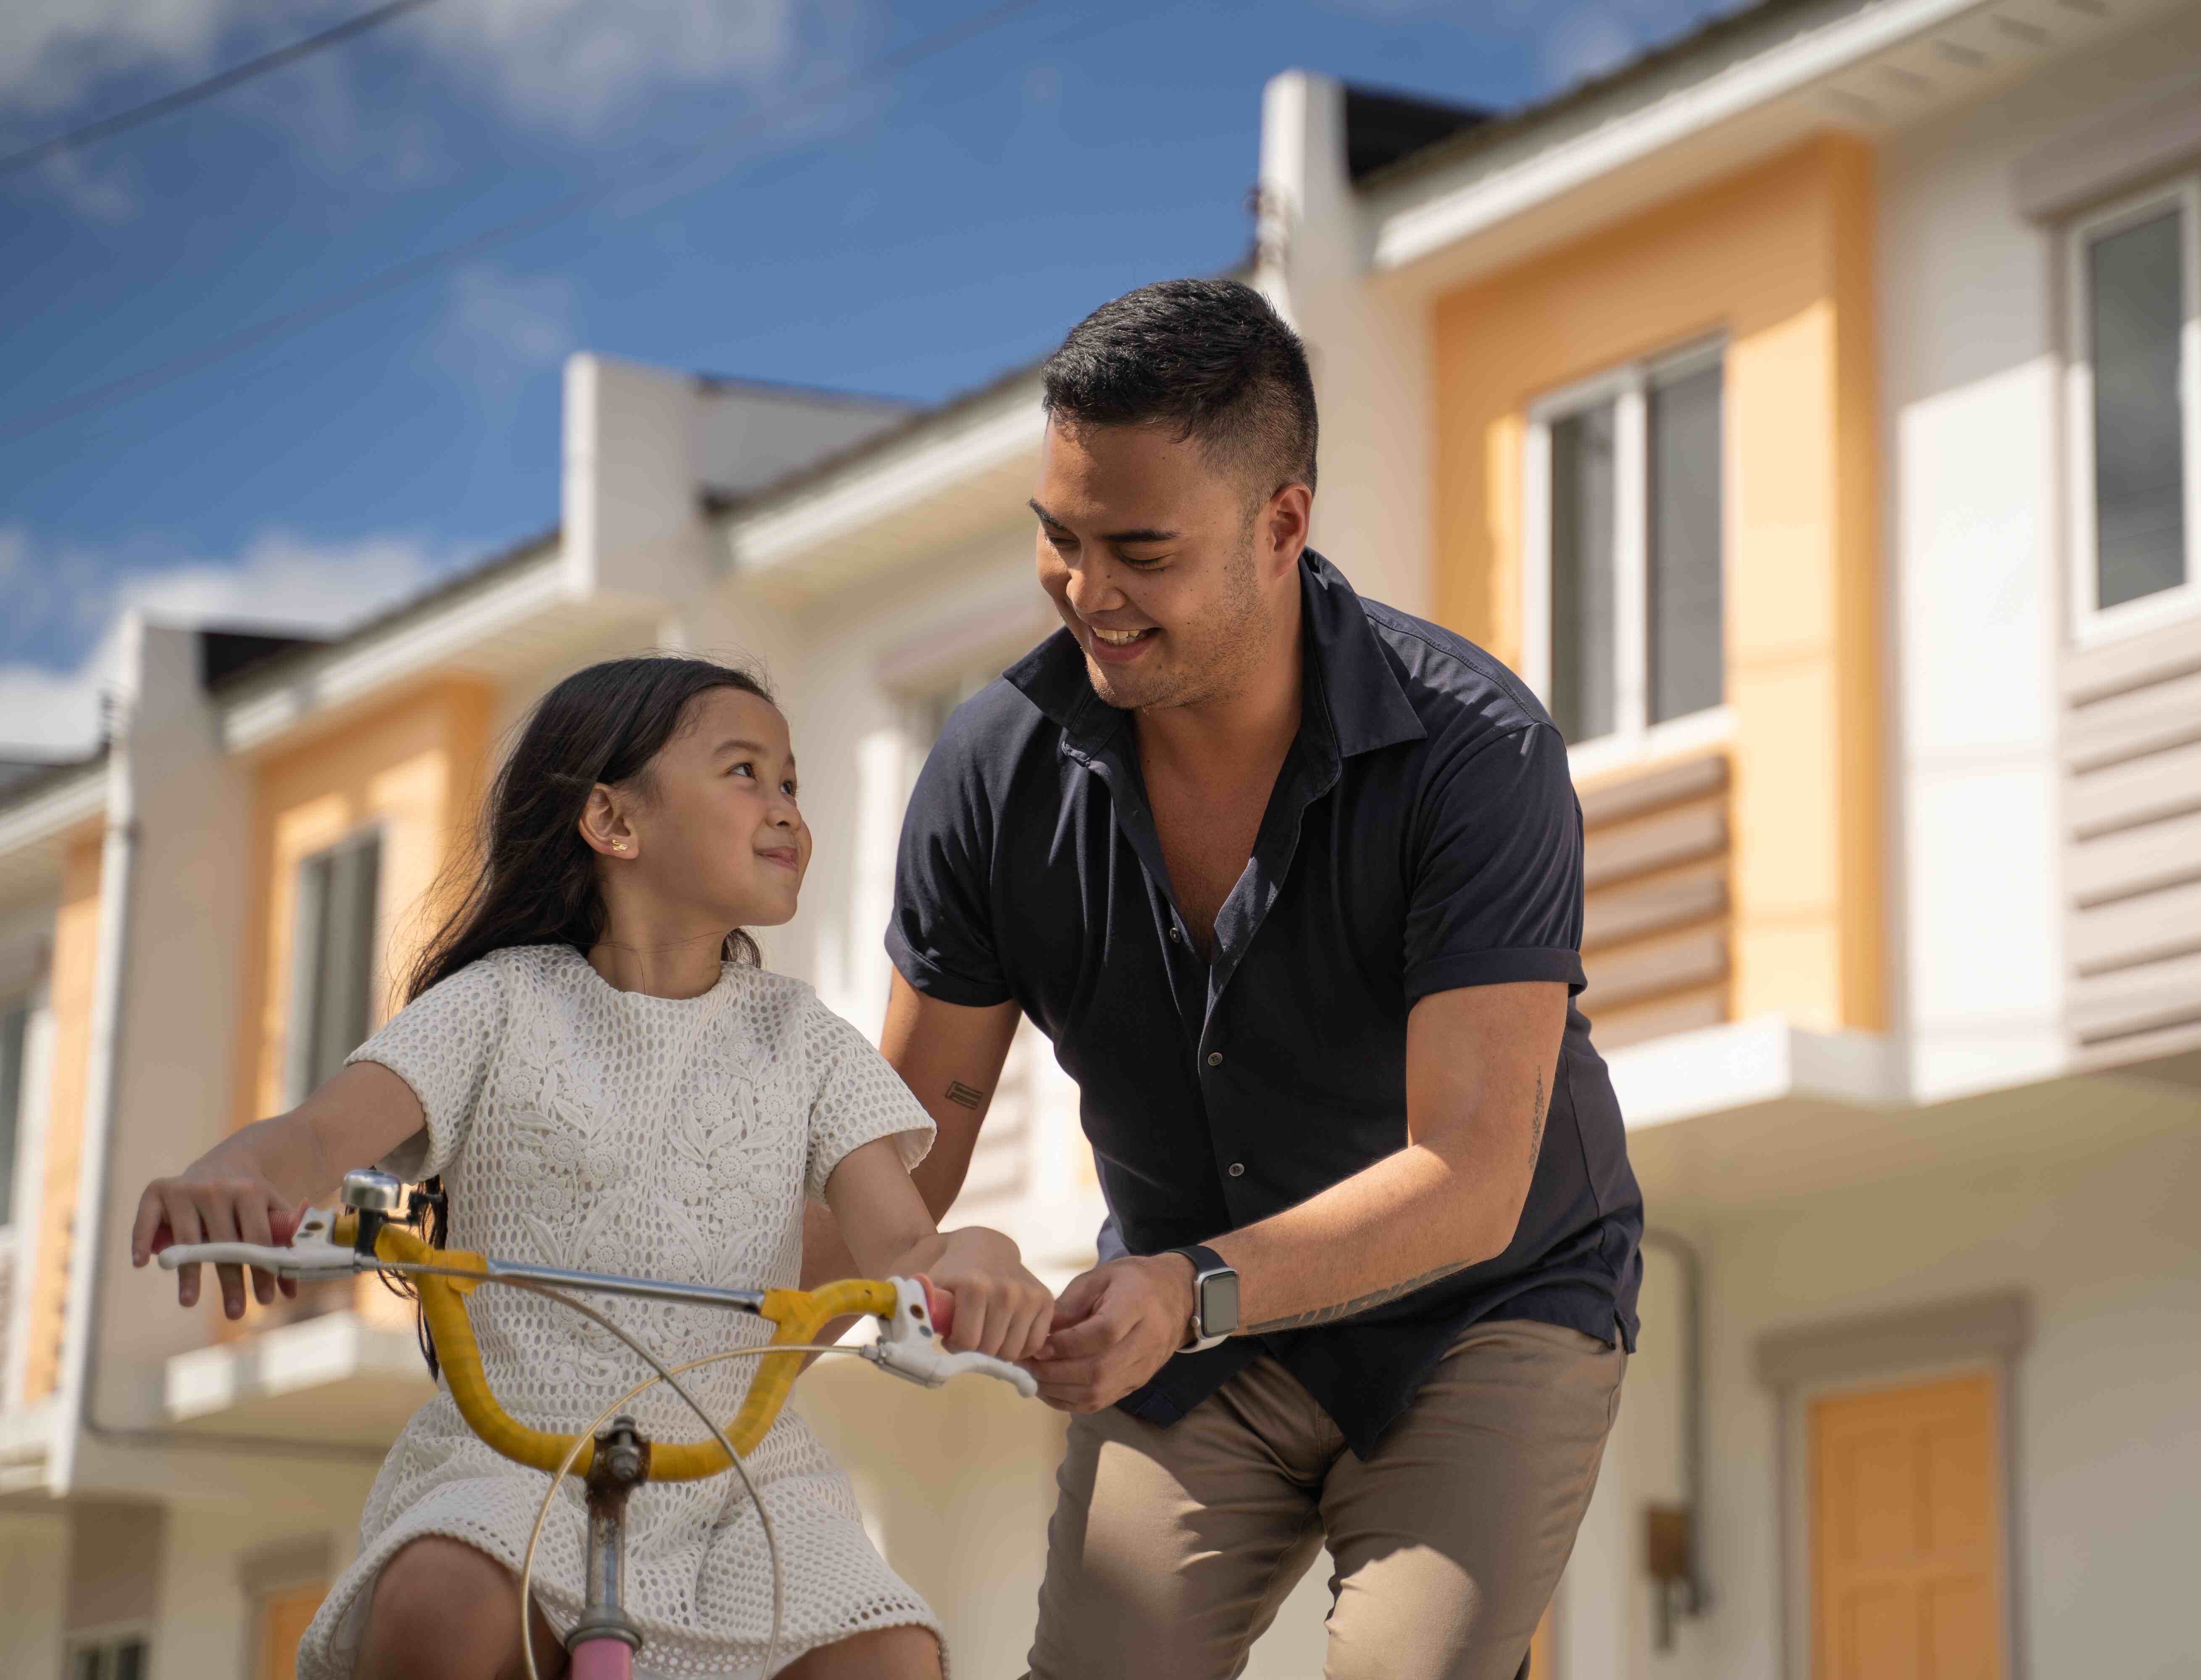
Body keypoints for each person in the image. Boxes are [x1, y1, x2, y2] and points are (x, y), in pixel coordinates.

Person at [880, 278, 1646, 1679]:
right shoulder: (989, 775)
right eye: (1057, 538)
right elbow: (893, 1165)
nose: (1085, 592)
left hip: (1481, 1311)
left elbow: (1471, 1176)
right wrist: (932, 1257)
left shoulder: (1477, 753)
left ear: (1283, 523)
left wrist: (1188, 1288)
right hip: (1191, 1347)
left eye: (1140, 551)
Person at [130, 655, 1056, 1680]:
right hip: (515, 1450)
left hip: (738, 1477)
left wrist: (981, 1255)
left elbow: (906, 1241)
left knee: (890, 1653)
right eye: (744, 772)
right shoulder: (498, 1003)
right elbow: (313, 1137)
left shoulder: (804, 1039)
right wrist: (241, 1173)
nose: (788, 806)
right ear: (613, 822)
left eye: (791, 780)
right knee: (444, 1603)